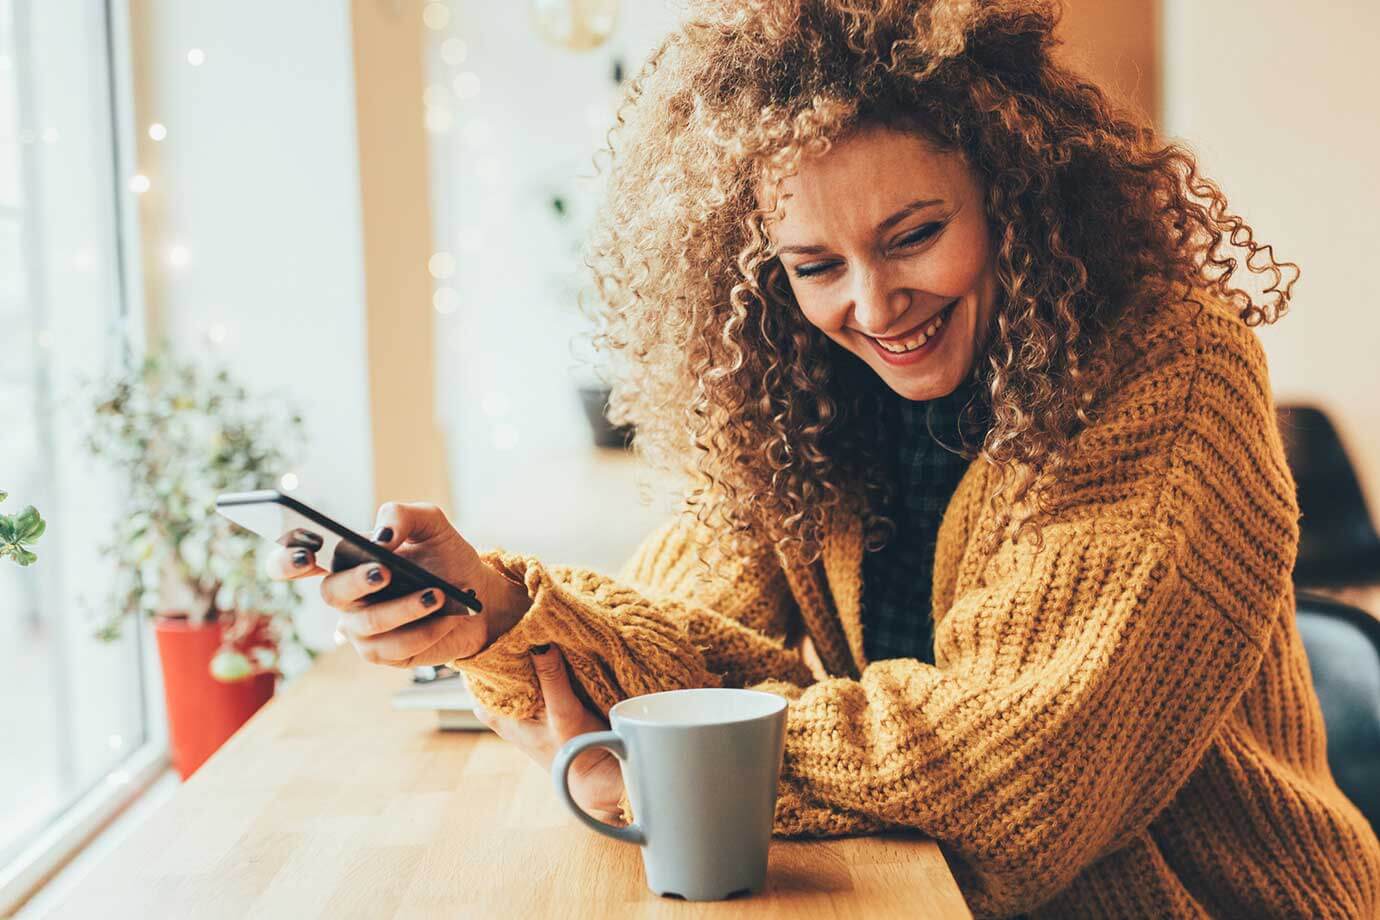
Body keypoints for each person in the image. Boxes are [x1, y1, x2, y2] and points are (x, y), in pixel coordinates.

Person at [269, 1, 1380, 916]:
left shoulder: (1165, 367)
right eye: (814, 264)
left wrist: (664, 767)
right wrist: (503, 613)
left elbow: (1021, 771)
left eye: (913, 235)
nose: (872, 303)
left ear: (1014, 195)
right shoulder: (795, 387)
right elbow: (683, 640)